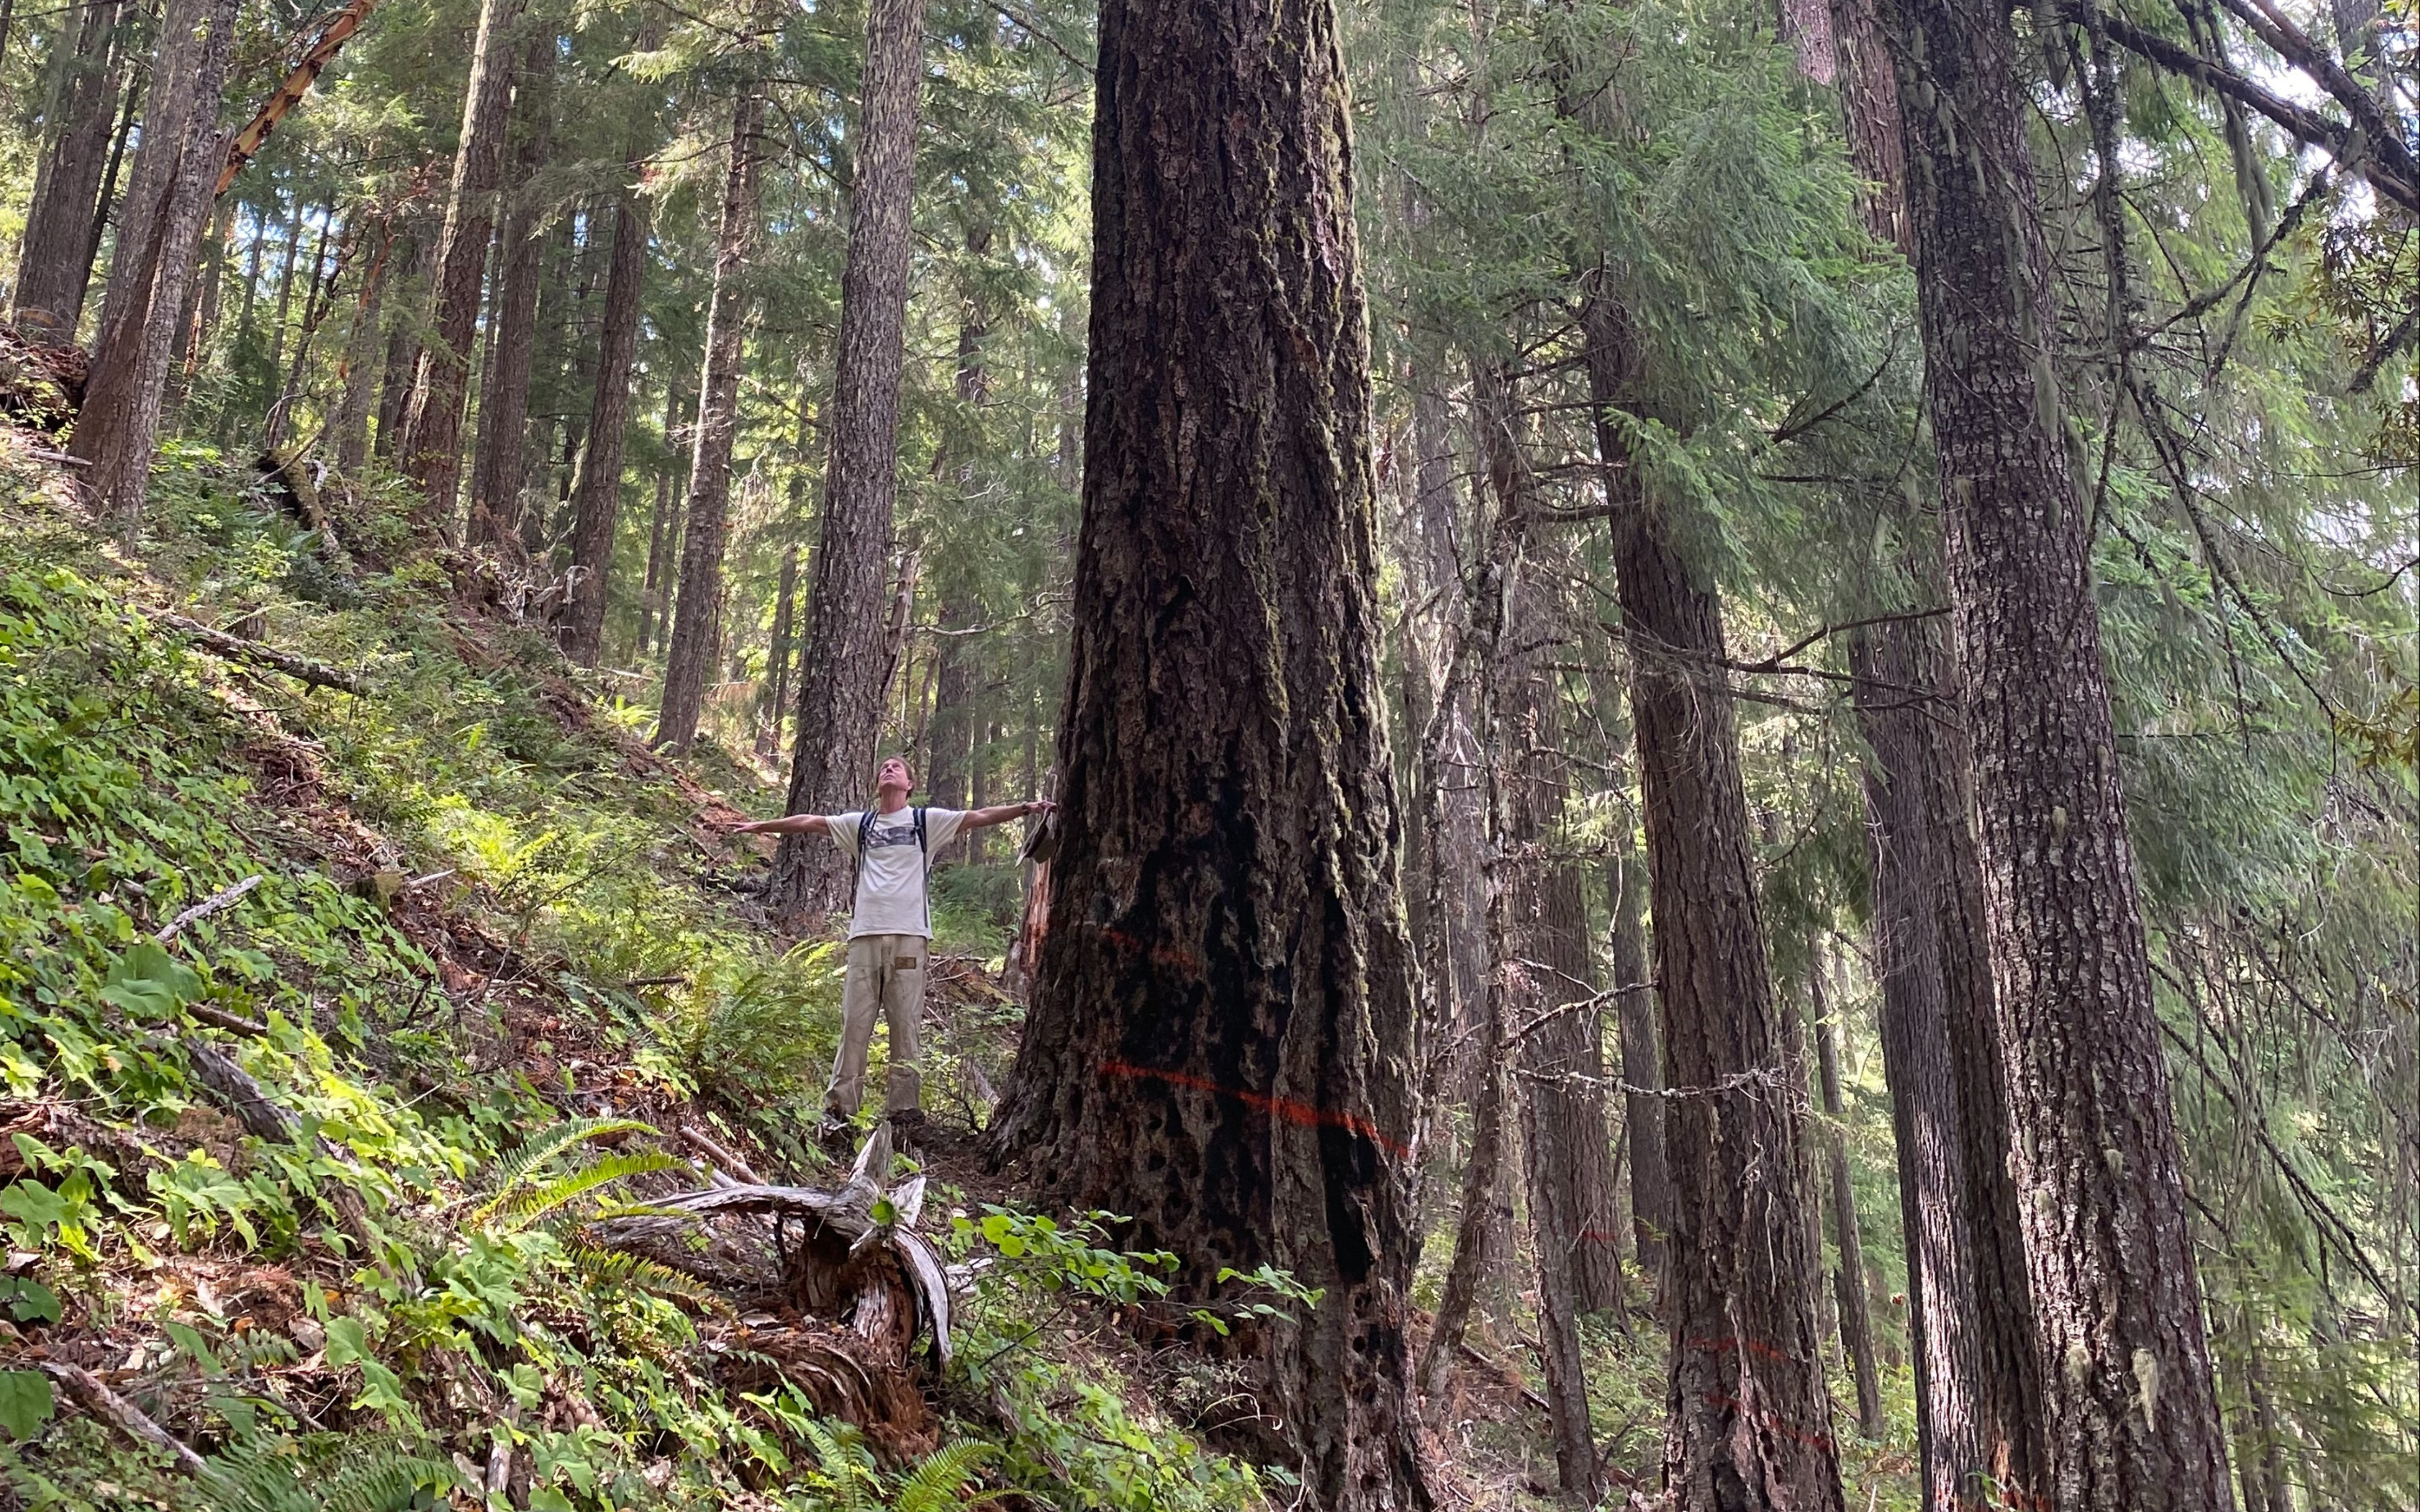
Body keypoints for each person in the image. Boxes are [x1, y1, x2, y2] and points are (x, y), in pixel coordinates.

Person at [731, 755, 1052, 1148]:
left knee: (905, 1026)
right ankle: (839, 1116)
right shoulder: (861, 826)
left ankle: (904, 1118)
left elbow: (978, 815)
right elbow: (810, 823)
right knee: (855, 1026)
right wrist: (759, 825)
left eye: (898, 767)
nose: (889, 769)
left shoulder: (925, 823)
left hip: (909, 937)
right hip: (864, 937)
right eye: (884, 766)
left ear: (910, 785)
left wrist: (1027, 808)